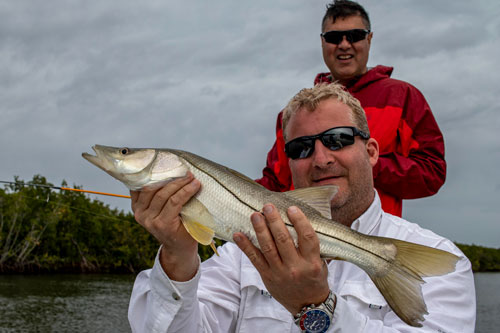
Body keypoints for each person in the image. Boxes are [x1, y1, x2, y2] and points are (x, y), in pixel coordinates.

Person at [127, 83, 475, 332]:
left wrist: (317, 306)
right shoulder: (240, 255)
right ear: (289, 162)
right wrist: (177, 257)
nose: (321, 159)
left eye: (337, 139)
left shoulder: (445, 260)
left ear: (371, 152)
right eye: (301, 148)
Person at [256, 0, 446, 217]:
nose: (344, 44)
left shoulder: (402, 97)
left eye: (354, 36)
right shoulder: (293, 115)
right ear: (322, 43)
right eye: (334, 38)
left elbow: (432, 174)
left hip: (372, 241)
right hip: (303, 240)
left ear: (369, 39)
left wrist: (361, 163)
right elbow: (273, 183)